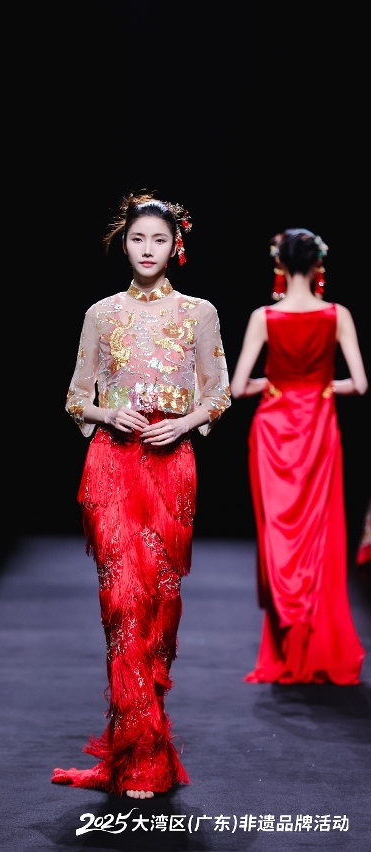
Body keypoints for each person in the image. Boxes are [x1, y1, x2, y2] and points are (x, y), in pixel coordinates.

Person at [51, 193, 230, 798]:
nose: (147, 250)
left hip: (171, 465)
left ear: (176, 245)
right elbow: (75, 397)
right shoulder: (101, 313)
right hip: (113, 464)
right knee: (122, 604)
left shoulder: (199, 313)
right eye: (137, 239)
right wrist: (108, 414)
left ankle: (141, 744)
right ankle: (142, 760)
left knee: (158, 609)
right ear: (122, 244)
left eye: (158, 240)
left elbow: (218, 392)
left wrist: (183, 424)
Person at [231, 229, 367, 684]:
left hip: (273, 431)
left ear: (280, 265)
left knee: (279, 534)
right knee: (319, 534)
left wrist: (272, 385)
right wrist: (325, 387)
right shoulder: (337, 315)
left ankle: (286, 644)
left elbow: (237, 387)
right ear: (317, 265)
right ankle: (316, 643)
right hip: (319, 428)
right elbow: (360, 384)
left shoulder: (264, 317)